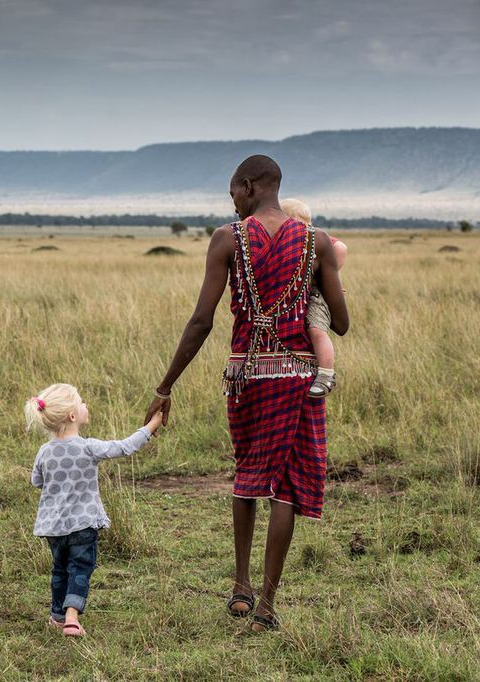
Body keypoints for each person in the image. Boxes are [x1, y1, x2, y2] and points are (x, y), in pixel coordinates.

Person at [143, 156, 348, 632]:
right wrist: (311, 295)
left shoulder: (226, 239)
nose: (232, 201)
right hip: (299, 381)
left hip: (247, 377)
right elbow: (341, 323)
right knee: (288, 488)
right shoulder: (315, 242)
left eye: (233, 192)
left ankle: (240, 588)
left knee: (248, 473)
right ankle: (268, 607)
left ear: (249, 186)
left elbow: (201, 321)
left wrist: (166, 384)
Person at [26, 383, 163, 637]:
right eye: (82, 401)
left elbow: (37, 481)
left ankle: (57, 615)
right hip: (84, 524)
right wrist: (151, 426)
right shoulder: (88, 448)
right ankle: (71, 617)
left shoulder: (44, 452)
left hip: (53, 527)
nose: (86, 404)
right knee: (80, 567)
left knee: (60, 568)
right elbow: (124, 447)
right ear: (72, 416)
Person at [280, 198, 348, 398]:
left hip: (317, 295)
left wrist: (327, 278)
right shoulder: (284, 243)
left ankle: (326, 374)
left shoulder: (316, 240)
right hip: (297, 295)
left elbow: (340, 248)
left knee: (316, 330)